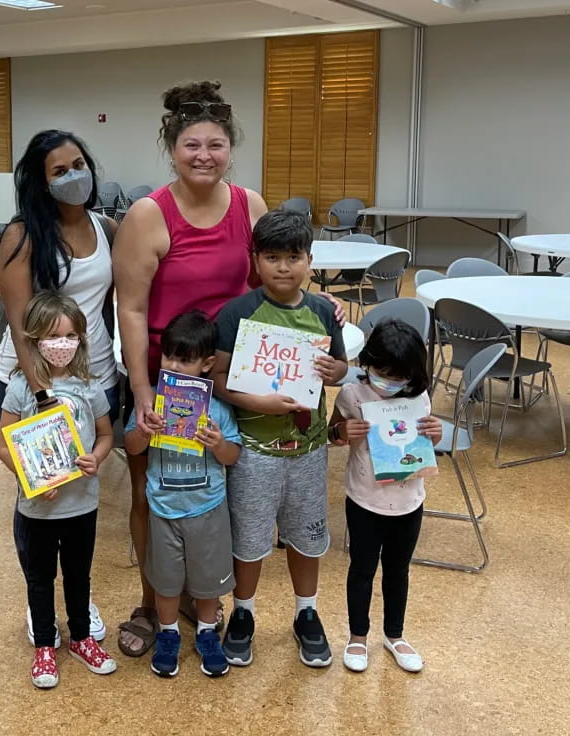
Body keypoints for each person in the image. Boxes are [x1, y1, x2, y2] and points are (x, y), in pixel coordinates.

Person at [113, 80, 268, 657]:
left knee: (215, 484)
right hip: (163, 371)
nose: (204, 155)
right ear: (172, 148)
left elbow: (262, 286)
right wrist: (143, 389)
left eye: (217, 145)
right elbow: (129, 308)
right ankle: (153, 601)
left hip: (223, 375)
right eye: (192, 145)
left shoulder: (251, 206)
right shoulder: (148, 216)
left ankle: (206, 596)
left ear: (232, 148)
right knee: (150, 490)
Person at [211, 209, 348, 668]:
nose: (283, 267)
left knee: (307, 536)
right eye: (272, 257)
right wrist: (259, 404)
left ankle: (306, 611)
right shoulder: (237, 313)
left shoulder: (325, 311)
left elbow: (341, 368)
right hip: (255, 451)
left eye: (294, 257)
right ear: (255, 261)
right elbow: (219, 381)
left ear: (310, 260)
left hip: (308, 451)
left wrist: (337, 370)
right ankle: (243, 612)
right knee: (249, 539)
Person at [0, 130, 115, 647]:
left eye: (79, 164)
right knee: (39, 489)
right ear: (40, 183)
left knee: (80, 494)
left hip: (95, 370)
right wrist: (43, 394)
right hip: (35, 375)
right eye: (59, 171)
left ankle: (78, 604)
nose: (74, 176)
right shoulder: (22, 235)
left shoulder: (106, 225)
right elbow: (21, 322)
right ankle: (38, 602)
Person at [0, 292, 117, 688]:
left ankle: (82, 637)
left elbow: (104, 436)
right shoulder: (20, 388)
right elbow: (3, 445)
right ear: (33, 340)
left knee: (79, 574)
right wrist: (31, 477)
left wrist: (96, 459)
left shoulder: (90, 387)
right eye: (51, 336)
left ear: (81, 339)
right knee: (40, 577)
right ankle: (45, 646)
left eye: (69, 335)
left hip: (82, 504)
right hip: (38, 509)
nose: (61, 344)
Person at [124, 310, 242, 678]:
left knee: (208, 582)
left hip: (207, 508)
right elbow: (130, 446)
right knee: (166, 580)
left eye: (185, 360)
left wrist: (218, 444)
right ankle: (169, 633)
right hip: (163, 510)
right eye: (168, 356)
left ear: (207, 364)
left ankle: (207, 632)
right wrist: (143, 432)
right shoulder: (153, 402)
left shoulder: (217, 410)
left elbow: (233, 455)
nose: (173, 366)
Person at [327, 319, 442, 673]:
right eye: (382, 373)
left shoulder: (418, 396)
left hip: (410, 501)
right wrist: (343, 430)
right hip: (364, 500)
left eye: (399, 376)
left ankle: (395, 634)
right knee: (362, 568)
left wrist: (435, 434)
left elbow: (424, 441)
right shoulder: (352, 394)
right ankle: (357, 637)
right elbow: (331, 435)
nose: (390, 383)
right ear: (367, 363)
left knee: (398, 569)